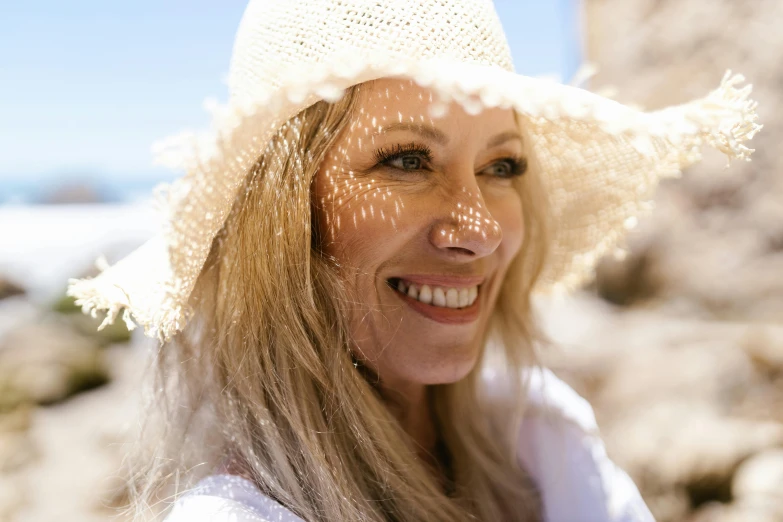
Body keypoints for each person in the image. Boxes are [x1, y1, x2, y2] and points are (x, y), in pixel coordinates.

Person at [68, 1, 760, 521]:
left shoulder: (541, 439)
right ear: (282, 218)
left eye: (502, 165)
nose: (480, 232)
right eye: (406, 159)